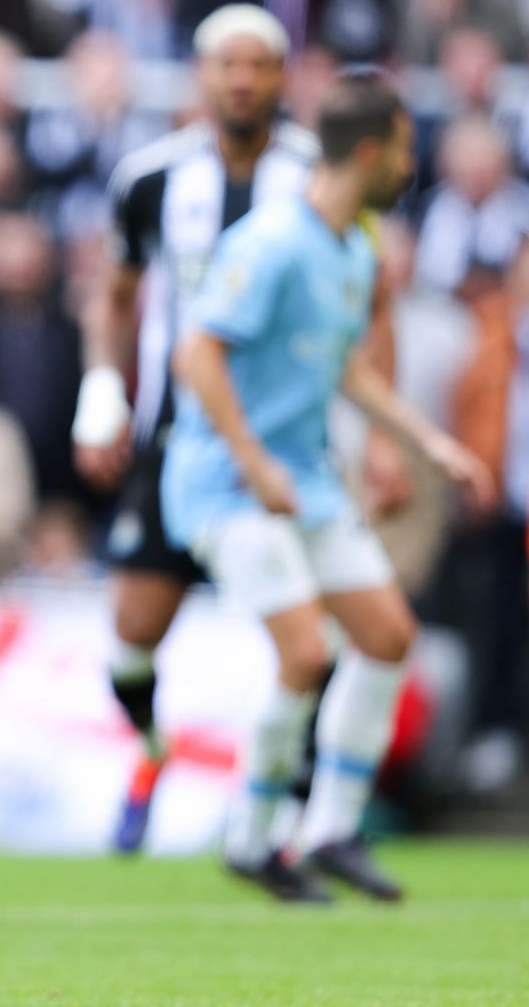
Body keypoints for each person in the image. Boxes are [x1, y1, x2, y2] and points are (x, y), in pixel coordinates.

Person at [166, 70, 493, 903]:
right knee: (307, 653)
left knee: (386, 635)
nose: (410, 166)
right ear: (375, 149)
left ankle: (332, 831)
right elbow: (197, 354)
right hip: (230, 483)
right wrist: (254, 459)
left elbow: (342, 362)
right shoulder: (271, 242)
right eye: (408, 148)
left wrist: (422, 439)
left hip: (305, 477)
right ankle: (251, 838)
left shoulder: (356, 246)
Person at [73, 5, 317, 853]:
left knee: (304, 638)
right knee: (133, 636)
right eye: (227, 65)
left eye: (258, 65)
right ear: (202, 78)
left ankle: (286, 810)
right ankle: (149, 751)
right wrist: (102, 392)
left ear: (282, 78)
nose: (242, 80)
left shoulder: (316, 178)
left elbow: (365, 302)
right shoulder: (152, 178)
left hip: (285, 448)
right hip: (175, 443)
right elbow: (113, 292)